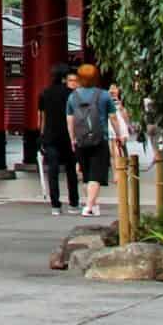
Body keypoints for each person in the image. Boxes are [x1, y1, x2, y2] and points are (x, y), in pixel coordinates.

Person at [68, 63, 115, 218]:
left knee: (86, 173)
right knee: (96, 175)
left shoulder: (73, 96)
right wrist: (121, 134)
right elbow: (113, 118)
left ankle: (93, 205)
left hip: (81, 139)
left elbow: (70, 120)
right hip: (99, 138)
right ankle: (88, 206)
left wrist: (72, 139)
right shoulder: (103, 95)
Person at [38, 66, 80, 213]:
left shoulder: (44, 94)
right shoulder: (72, 94)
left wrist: (40, 136)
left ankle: (55, 205)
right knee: (70, 171)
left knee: (53, 171)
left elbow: (42, 117)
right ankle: (74, 202)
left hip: (50, 136)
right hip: (67, 136)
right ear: (64, 78)